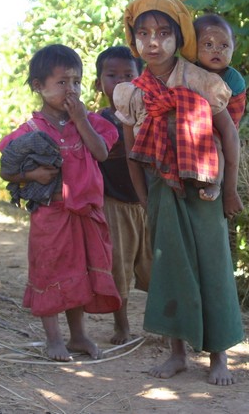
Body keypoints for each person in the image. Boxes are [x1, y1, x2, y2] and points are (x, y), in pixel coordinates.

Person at [113, 0, 244, 386]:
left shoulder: (202, 81)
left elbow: (229, 136)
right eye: (143, 33)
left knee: (213, 267)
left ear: (180, 35)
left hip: (205, 190)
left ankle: (218, 356)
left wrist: (231, 189)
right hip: (161, 192)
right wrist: (141, 195)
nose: (153, 42)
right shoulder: (131, 93)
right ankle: (177, 354)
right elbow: (131, 149)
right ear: (132, 38)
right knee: (168, 267)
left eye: (164, 33)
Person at [0, 44, 121, 361]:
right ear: (39, 86)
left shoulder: (91, 122)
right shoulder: (30, 131)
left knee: (79, 275)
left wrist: (81, 120)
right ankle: (54, 340)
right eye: (62, 83)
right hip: (51, 215)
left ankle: (79, 337)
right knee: (50, 273)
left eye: (76, 82)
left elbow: (101, 153)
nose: (72, 90)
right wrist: (35, 175)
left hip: (86, 214)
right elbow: (9, 171)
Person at [94, 45, 152, 345]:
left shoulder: (150, 115)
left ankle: (163, 326)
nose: (120, 82)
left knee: (156, 267)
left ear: (141, 79)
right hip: (114, 203)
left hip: (149, 203)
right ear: (98, 83)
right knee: (119, 266)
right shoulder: (96, 122)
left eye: (128, 75)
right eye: (111, 75)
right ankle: (122, 326)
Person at [193, 13, 247, 201]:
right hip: (194, 125)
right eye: (208, 45)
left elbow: (231, 121)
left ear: (234, 47)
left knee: (214, 142)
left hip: (221, 128)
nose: (216, 50)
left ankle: (215, 183)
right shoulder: (189, 71)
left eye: (224, 46)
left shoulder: (233, 79)